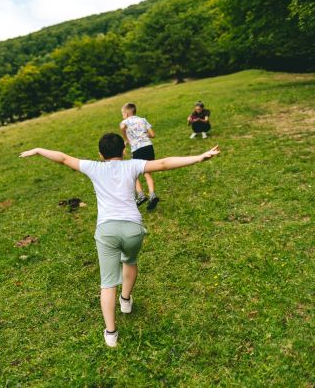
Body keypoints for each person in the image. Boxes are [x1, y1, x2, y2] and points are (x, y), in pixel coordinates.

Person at [19, 133, 220, 347]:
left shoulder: (93, 167)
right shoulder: (132, 165)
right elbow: (164, 163)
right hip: (133, 229)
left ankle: (111, 333)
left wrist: (39, 150)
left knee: (107, 284)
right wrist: (199, 157)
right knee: (130, 261)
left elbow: (63, 158)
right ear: (123, 151)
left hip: (107, 231)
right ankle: (125, 301)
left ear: (100, 154)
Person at [119, 103, 158, 210]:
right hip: (148, 147)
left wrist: (126, 138)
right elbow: (153, 135)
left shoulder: (124, 122)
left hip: (137, 149)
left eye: (122, 114)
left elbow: (122, 127)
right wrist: (143, 134)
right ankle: (152, 195)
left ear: (126, 113)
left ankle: (140, 195)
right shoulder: (143, 119)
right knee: (147, 173)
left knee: (133, 173)